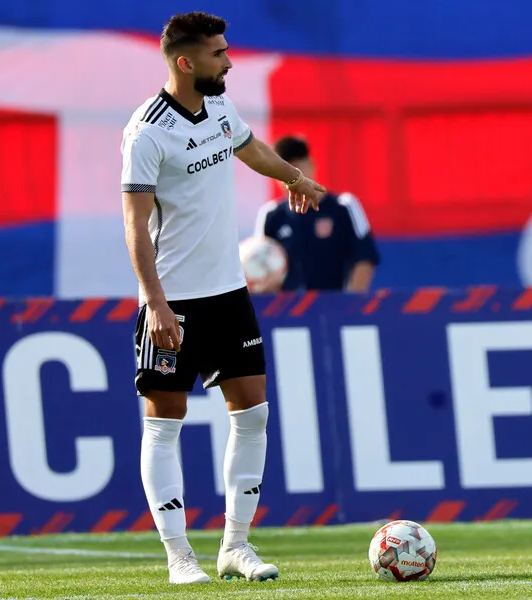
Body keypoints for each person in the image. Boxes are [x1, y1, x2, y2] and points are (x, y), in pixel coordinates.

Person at [119, 12, 325, 585]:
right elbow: (135, 226)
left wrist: (293, 178)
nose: (229, 61)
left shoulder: (219, 107)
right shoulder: (146, 133)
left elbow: (252, 149)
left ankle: (235, 546)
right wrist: (154, 303)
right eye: (218, 53)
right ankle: (179, 556)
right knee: (164, 425)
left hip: (229, 295)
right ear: (186, 62)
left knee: (253, 413)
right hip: (174, 302)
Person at [253, 135, 380, 292]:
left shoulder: (344, 206)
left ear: (311, 165)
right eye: (283, 171)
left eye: (297, 169)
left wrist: (348, 309)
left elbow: (364, 260)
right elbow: (260, 267)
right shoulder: (271, 214)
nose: (291, 178)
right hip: (286, 311)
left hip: (333, 308)